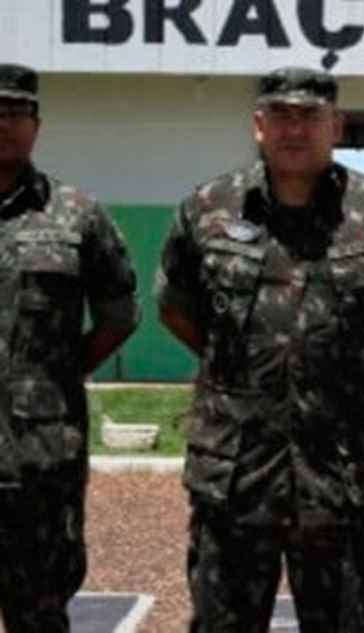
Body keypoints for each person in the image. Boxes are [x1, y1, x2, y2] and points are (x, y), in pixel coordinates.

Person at [155, 67, 364, 633]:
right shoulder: (208, 208)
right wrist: (242, 367)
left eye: (310, 117)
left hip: (337, 473)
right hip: (235, 475)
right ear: (259, 125)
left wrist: (339, 361)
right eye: (281, 116)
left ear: (337, 126)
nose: (294, 130)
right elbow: (176, 310)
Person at [0, 63, 140, 633]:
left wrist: (55, 376)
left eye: (17, 112)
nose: (4, 123)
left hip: (40, 460)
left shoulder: (77, 214)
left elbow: (119, 314)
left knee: (39, 612)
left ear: (37, 125)